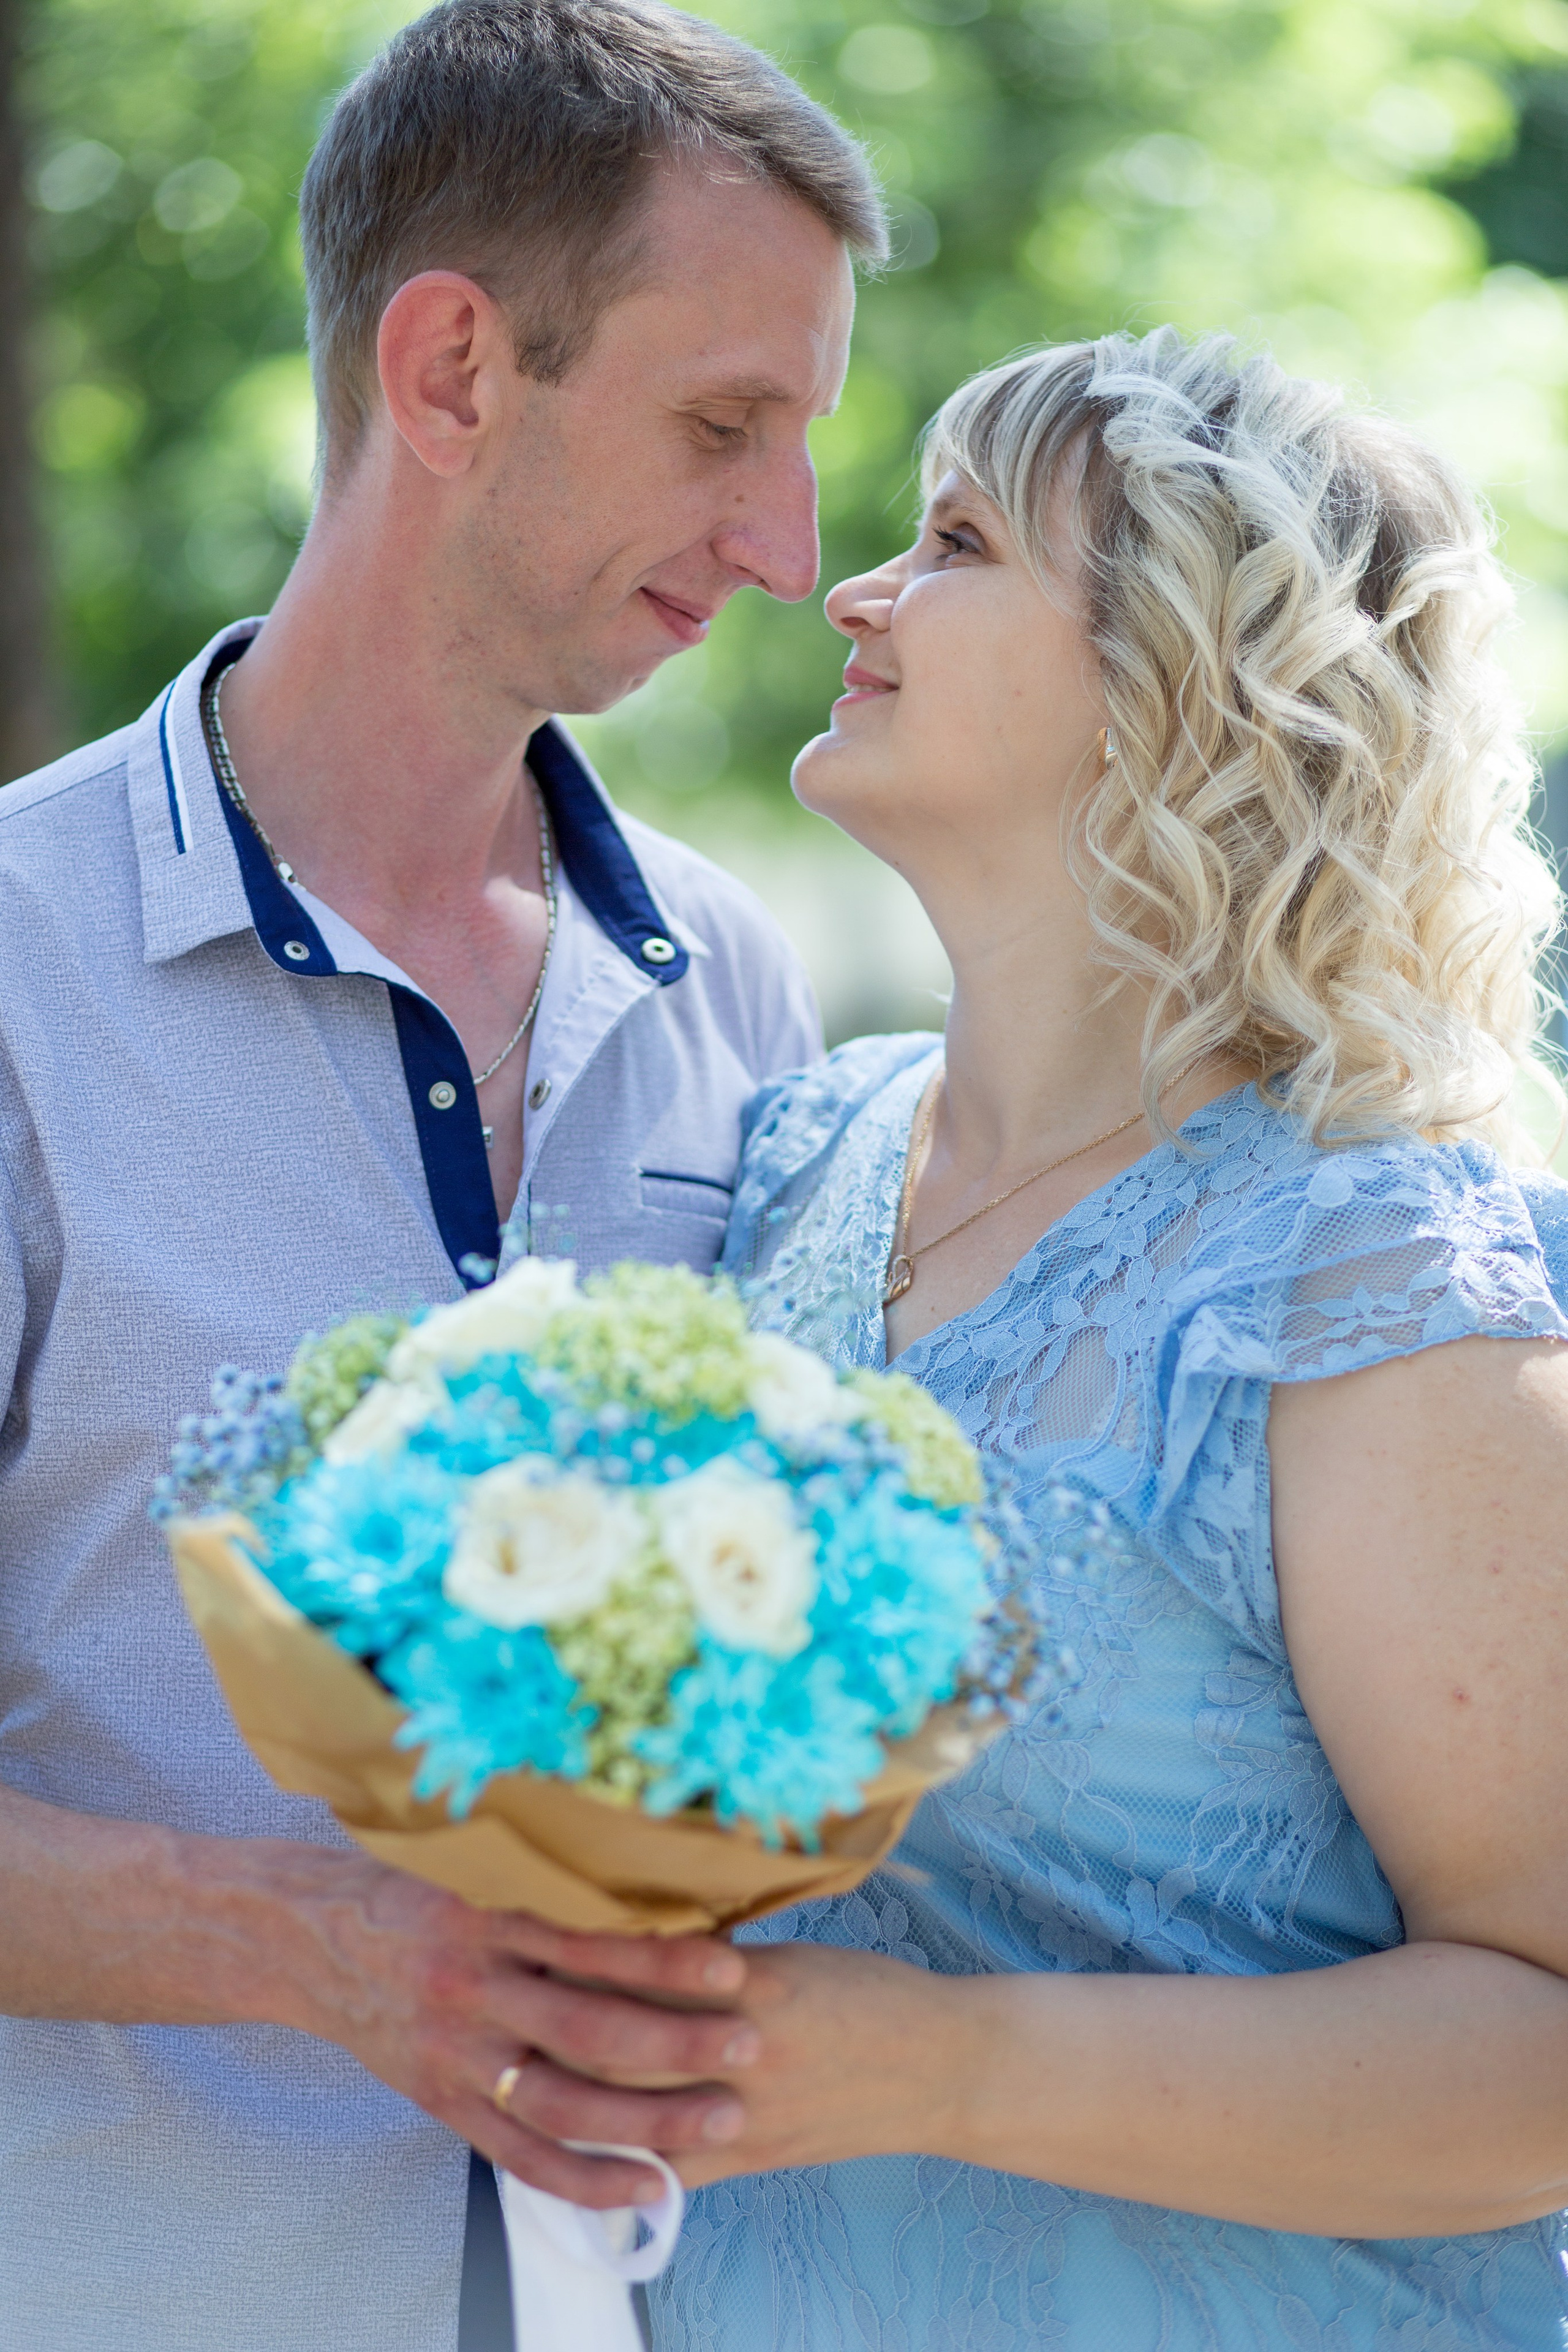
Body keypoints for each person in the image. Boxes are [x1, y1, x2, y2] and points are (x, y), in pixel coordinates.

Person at [0, 4, 886, 2346]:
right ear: (457, 370)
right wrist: (302, 1948)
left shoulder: (734, 982)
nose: (791, 549)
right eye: (726, 428)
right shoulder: (8, 972)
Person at [632, 329, 1568, 2345]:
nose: (854, 592)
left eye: (955, 540)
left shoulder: (1370, 1276)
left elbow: (1549, 2039)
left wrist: (935, 2066)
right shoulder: (794, 1155)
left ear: (1178, 684)